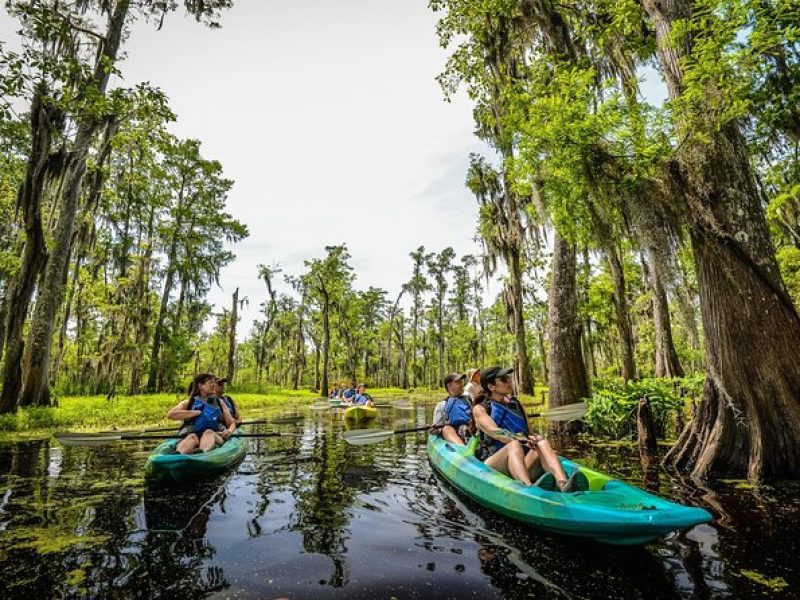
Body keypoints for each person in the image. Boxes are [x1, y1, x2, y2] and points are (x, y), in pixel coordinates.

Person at [472, 366, 588, 492]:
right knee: (513, 444)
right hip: (494, 464)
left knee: (541, 442)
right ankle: (528, 489)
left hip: (519, 463)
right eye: (504, 379)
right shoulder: (480, 409)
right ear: (491, 387)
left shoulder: (516, 404)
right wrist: (521, 439)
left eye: (508, 378)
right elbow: (496, 433)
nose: (509, 381)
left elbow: (530, 432)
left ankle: (562, 484)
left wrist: (534, 438)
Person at [167, 373, 236, 454]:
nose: (214, 385)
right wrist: (195, 413)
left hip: (215, 435)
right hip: (194, 434)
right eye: (210, 382)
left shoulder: (220, 403)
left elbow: (231, 423)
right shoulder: (189, 402)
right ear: (200, 386)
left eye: (214, 382)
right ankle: (178, 455)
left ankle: (202, 453)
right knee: (191, 437)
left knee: (208, 432)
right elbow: (171, 414)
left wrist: (230, 430)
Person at [438, 372, 472, 445]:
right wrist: (434, 429)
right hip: (453, 432)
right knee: (446, 429)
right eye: (458, 382)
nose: (462, 384)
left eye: (461, 382)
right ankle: (463, 448)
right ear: (449, 386)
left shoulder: (469, 399)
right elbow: (436, 429)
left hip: (470, 427)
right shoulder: (442, 405)